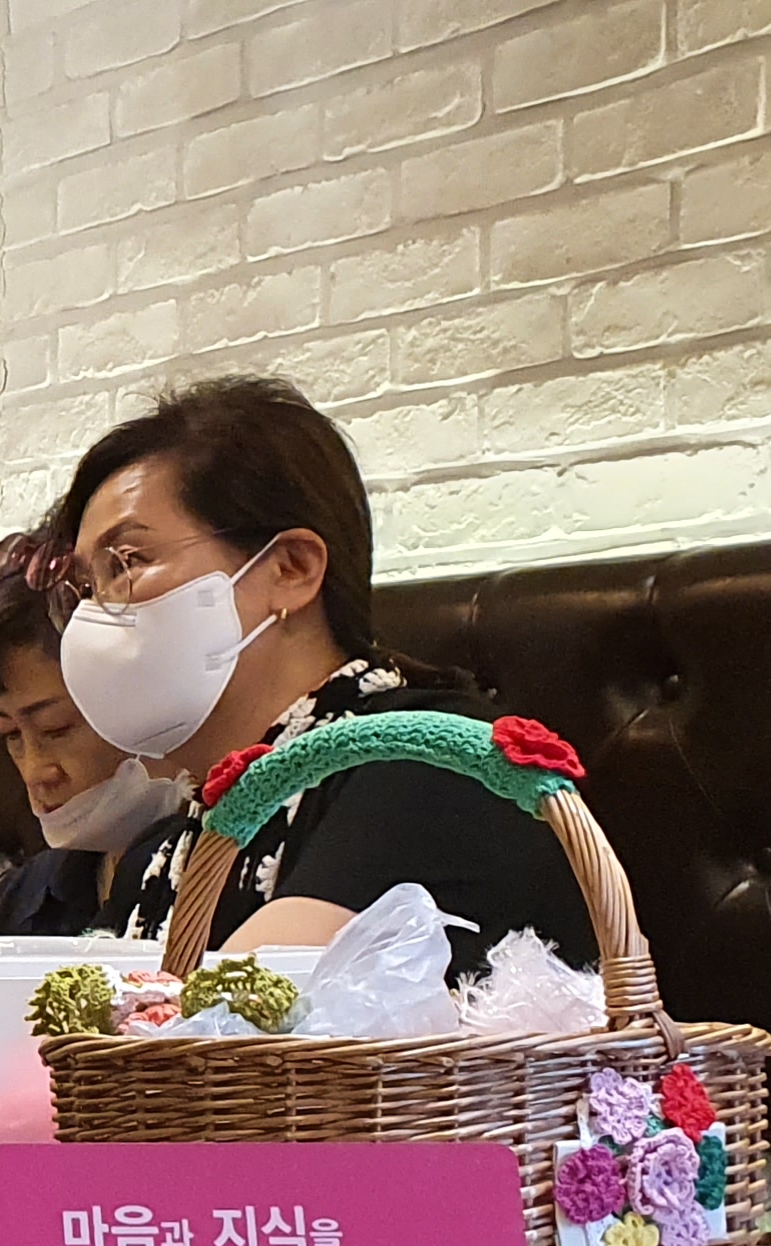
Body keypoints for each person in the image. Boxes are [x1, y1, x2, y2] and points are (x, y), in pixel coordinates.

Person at [35, 376, 595, 973]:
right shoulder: (162, 853)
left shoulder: (429, 763)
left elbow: (237, 1014)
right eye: (86, 586)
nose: (93, 615)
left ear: (291, 569)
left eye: (127, 562)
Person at [0, 529, 170, 937]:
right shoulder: (31, 895)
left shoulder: (232, 872)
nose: (34, 772)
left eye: (56, 728)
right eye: (11, 735)